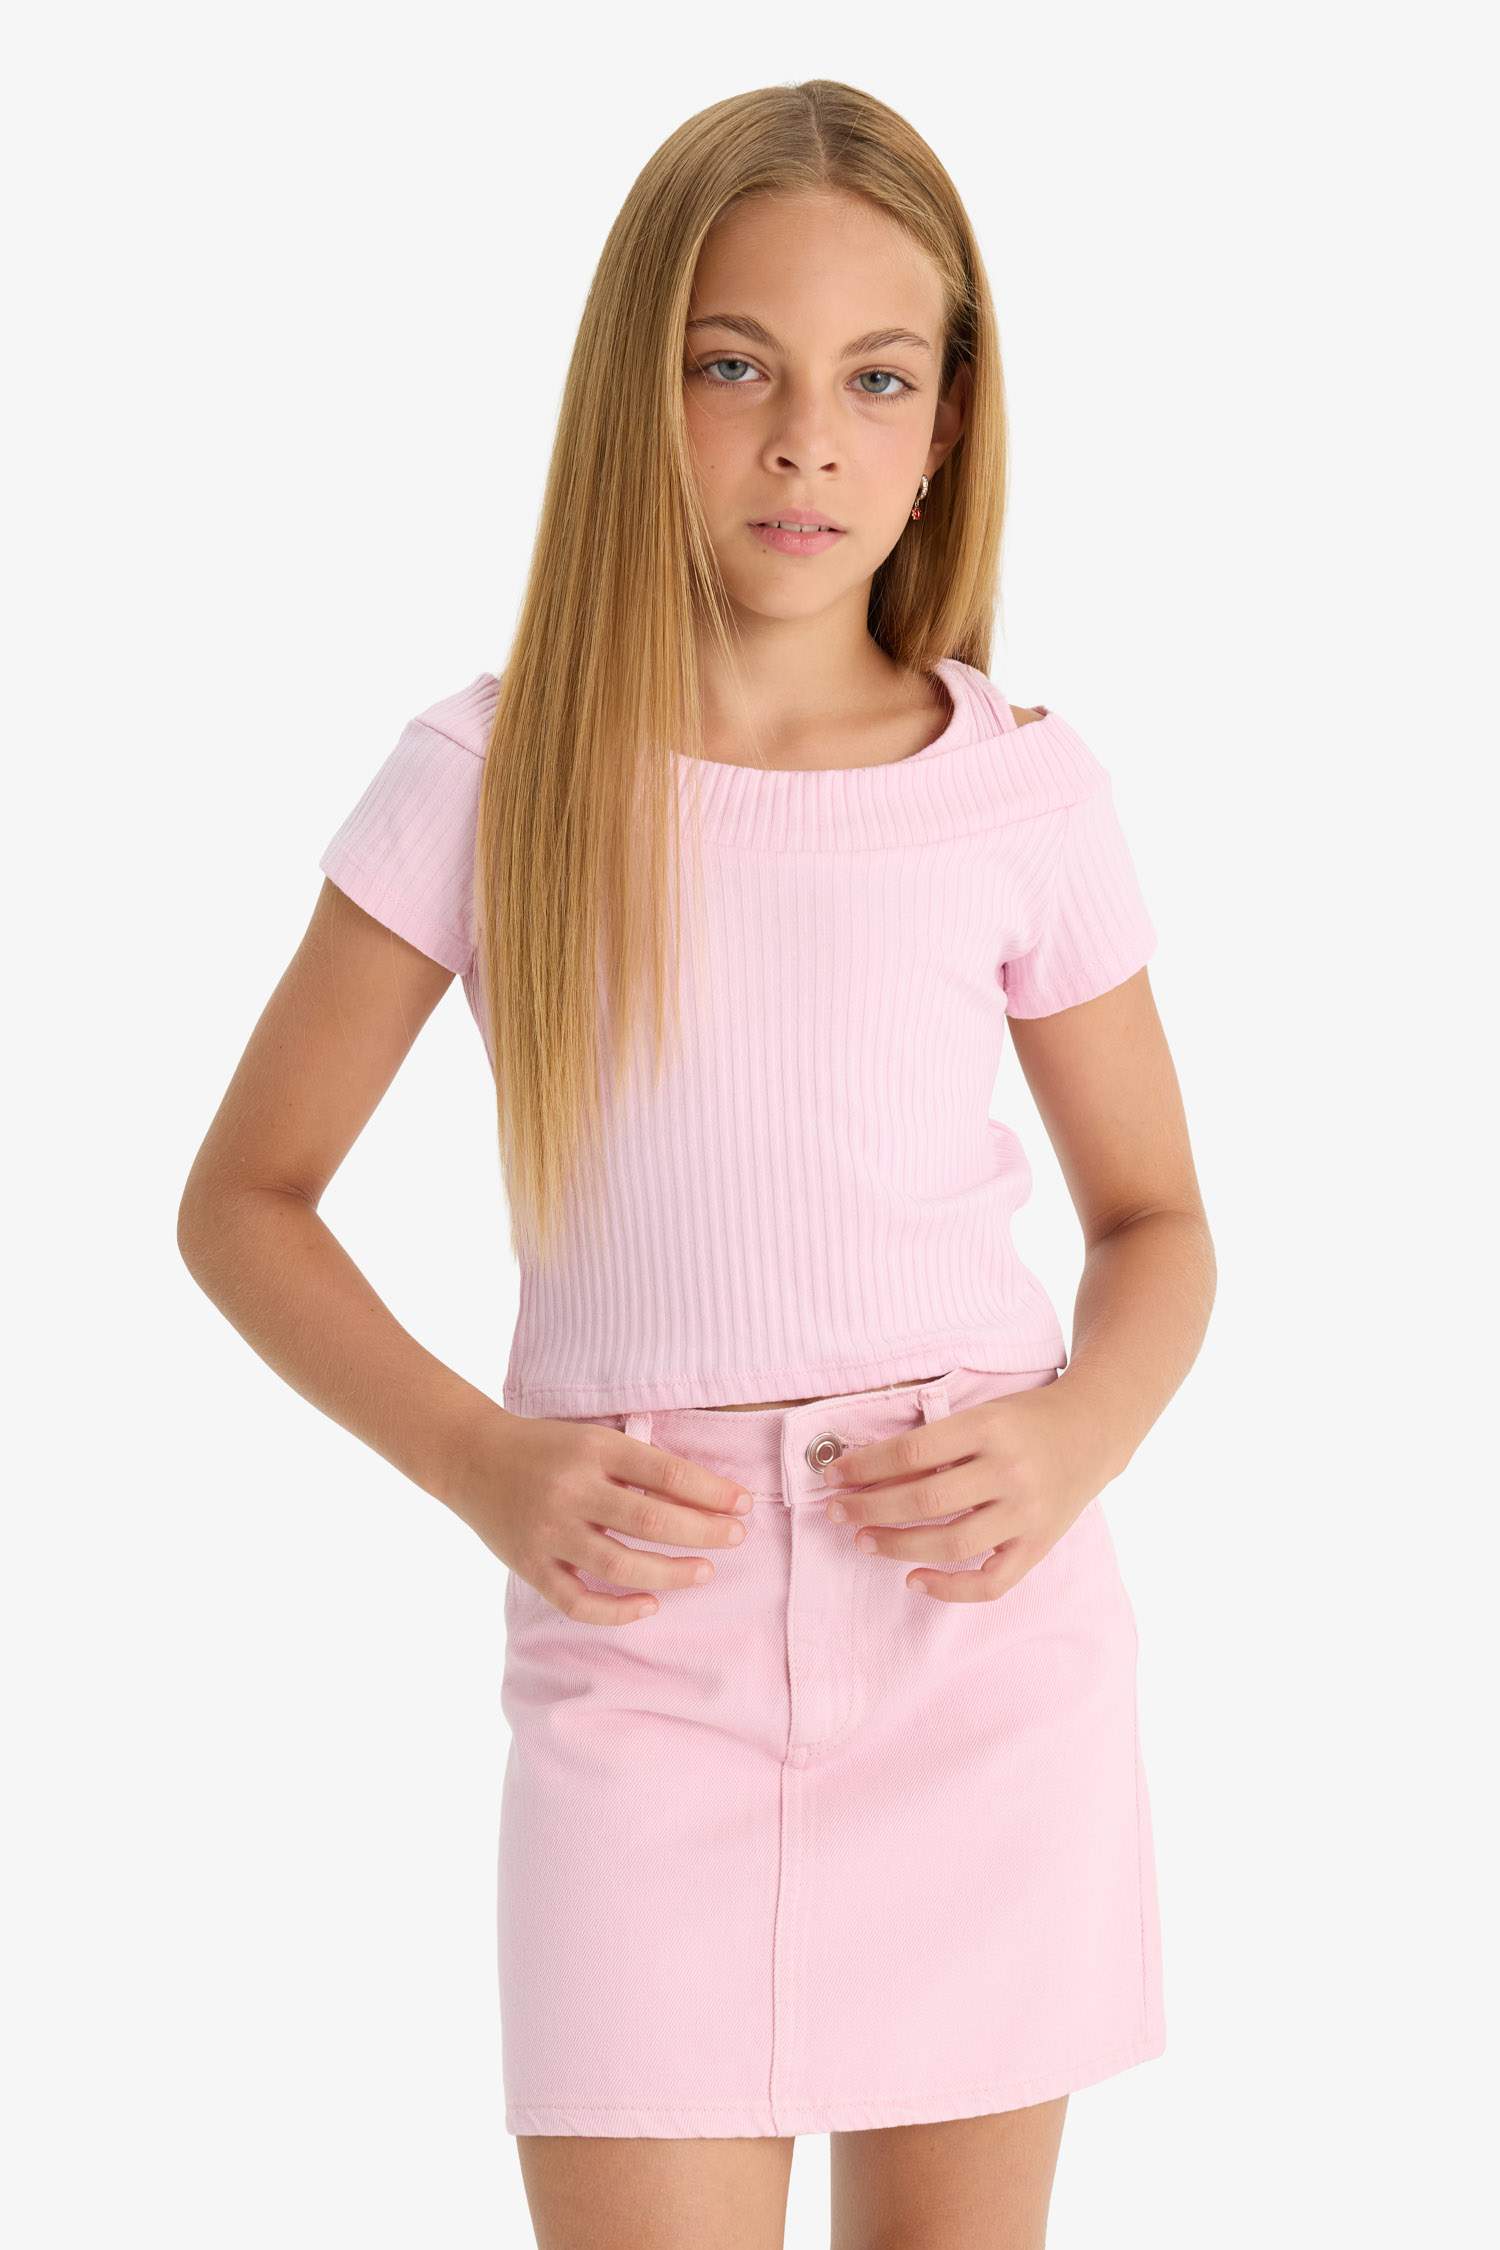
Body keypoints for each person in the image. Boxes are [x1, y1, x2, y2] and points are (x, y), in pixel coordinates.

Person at [178, 77, 1215, 2250]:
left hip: (975, 1630)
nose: (803, 441)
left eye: (875, 379)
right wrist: (482, 1461)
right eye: (734, 366)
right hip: (642, 1656)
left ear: (946, 423)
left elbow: (1158, 1223)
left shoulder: (1021, 791)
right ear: (635, 389)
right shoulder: (492, 773)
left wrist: (1076, 1435)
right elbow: (245, 1199)